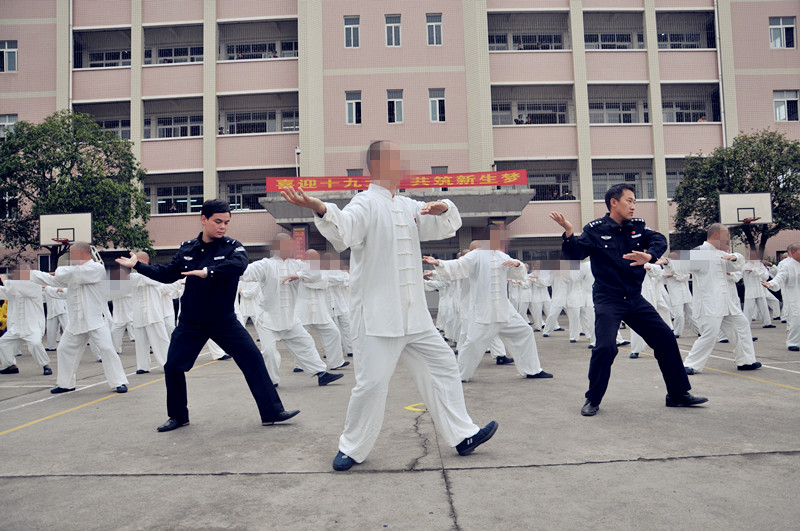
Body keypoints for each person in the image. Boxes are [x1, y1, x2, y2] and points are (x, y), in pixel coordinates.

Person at [282, 140, 496, 471]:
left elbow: (442, 224)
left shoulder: (409, 205)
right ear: (378, 166)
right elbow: (346, 229)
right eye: (395, 159)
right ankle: (352, 448)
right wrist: (321, 208)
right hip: (378, 316)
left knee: (443, 368)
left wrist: (444, 207)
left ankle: (462, 435)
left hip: (415, 316)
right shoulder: (365, 203)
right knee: (371, 385)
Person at [116, 199, 299, 431]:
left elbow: (238, 267)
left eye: (226, 222)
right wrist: (137, 266)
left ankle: (272, 412)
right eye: (218, 221)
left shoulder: (234, 247)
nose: (223, 226)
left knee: (253, 359)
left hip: (224, 321)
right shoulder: (187, 248)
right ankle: (178, 416)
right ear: (204, 219)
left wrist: (207, 272)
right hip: (191, 321)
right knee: (172, 366)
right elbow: (168, 274)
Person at [549, 183, 707, 416]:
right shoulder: (595, 229)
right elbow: (574, 257)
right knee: (605, 347)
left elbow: (660, 239)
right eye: (629, 201)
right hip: (608, 298)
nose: (634, 206)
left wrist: (650, 255)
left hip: (634, 298)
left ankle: (677, 393)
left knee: (665, 339)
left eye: (635, 201)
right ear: (614, 202)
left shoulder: (639, 227)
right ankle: (592, 399)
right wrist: (569, 232)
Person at [424, 228, 552, 382]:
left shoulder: (502, 255)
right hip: (484, 312)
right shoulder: (475, 255)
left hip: (505, 311)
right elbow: (459, 266)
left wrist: (517, 264)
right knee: (472, 344)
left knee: (524, 332)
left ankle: (532, 370)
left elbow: (519, 275)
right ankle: (461, 375)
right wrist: (439, 263)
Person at [240, 234, 344, 387]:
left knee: (306, 343)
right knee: (268, 351)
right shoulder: (265, 265)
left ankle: (321, 373)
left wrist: (299, 275)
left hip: (290, 318)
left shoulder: (297, 265)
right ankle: (271, 382)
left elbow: (316, 274)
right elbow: (245, 272)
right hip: (268, 318)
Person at [31, 243, 128, 393]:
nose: (70, 257)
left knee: (107, 349)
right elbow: (55, 280)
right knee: (64, 349)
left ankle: (118, 382)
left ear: (82, 254)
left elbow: (65, 274)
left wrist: (58, 273)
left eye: (72, 254)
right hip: (76, 321)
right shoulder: (73, 273)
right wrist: (29, 274)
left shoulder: (96, 268)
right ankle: (66, 383)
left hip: (94, 320)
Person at [682, 224, 762, 374]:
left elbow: (737, 266)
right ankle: (690, 364)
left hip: (726, 303)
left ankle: (746, 361)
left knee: (742, 325)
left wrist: (735, 257)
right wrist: (665, 263)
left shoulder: (720, 254)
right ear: (716, 235)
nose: (728, 239)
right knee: (710, 334)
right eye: (727, 236)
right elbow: (679, 264)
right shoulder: (700, 252)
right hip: (709, 302)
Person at [0, 265, 52, 376]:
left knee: (35, 344)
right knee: (3, 343)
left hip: (32, 325)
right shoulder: (14, 288)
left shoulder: (35, 286)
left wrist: (5, 280)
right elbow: (5, 292)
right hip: (18, 326)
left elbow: (15, 286)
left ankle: (46, 365)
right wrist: (6, 284)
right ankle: (11, 366)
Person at [762, 242, 800, 352]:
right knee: (796, 320)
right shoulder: (787, 265)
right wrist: (771, 284)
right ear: (793, 252)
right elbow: (780, 277)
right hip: (794, 296)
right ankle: (793, 342)